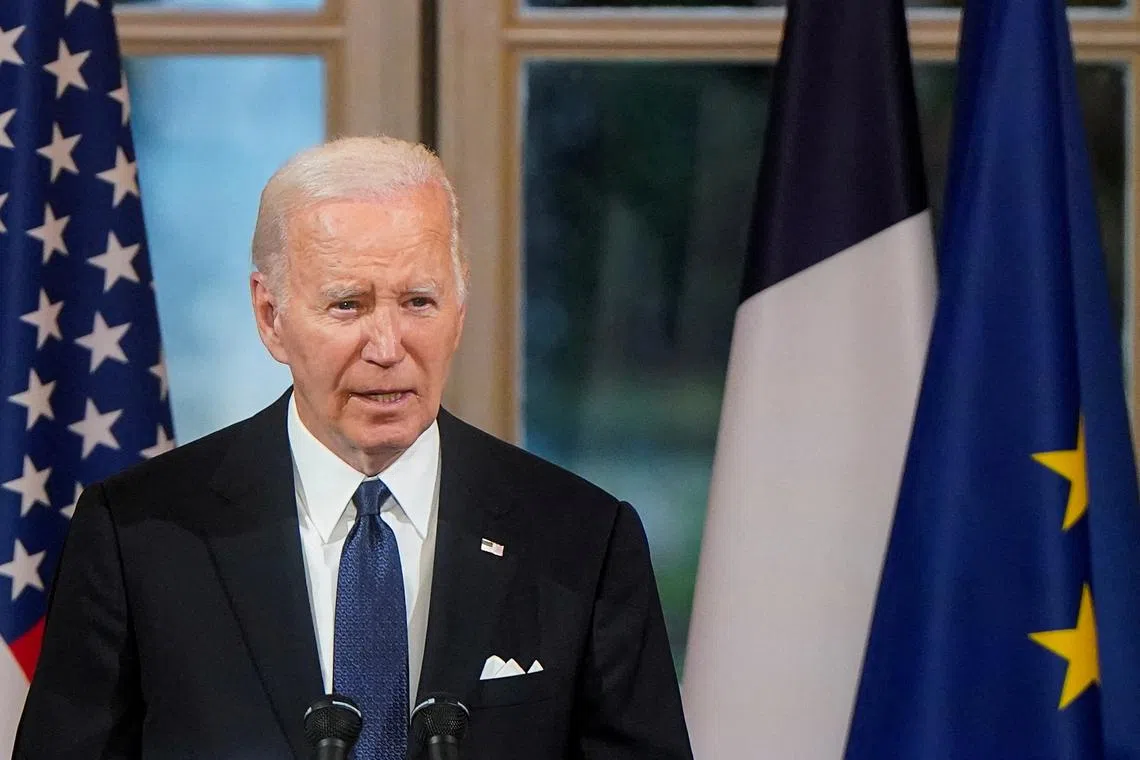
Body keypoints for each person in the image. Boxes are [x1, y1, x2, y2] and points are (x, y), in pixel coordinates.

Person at [14, 136, 693, 759]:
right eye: (349, 305)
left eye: (419, 301)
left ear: (459, 310)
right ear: (271, 317)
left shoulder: (581, 539)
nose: (388, 347)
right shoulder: (139, 535)